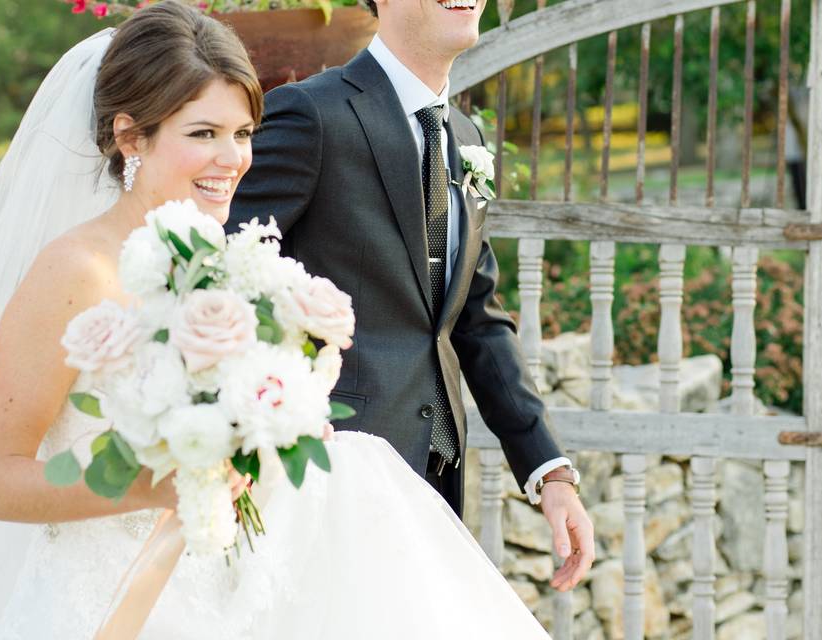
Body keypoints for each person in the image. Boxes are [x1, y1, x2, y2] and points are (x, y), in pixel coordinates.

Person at [0, 3, 551, 638]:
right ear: (131, 137)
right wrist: (160, 483)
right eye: (202, 134)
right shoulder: (74, 271)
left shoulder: (229, 267)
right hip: (97, 597)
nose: (233, 160)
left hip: (221, 589)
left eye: (242, 133)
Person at [229, 0, 594, 589]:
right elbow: (229, 272)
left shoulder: (465, 135)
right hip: (330, 471)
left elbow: (475, 318)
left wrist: (550, 471)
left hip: (435, 476)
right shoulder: (312, 115)